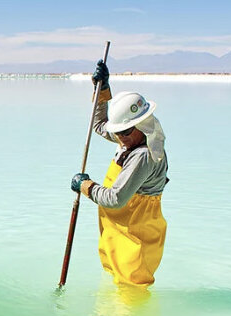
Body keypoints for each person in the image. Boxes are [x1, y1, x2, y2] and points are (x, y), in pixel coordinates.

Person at [70, 61, 169, 287]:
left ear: (140, 124)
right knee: (116, 279)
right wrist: (102, 90)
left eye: (123, 132)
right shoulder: (134, 135)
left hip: (136, 230)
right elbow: (100, 125)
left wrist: (85, 186)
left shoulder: (143, 155)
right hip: (121, 226)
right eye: (118, 132)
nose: (119, 138)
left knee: (132, 286)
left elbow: (115, 199)